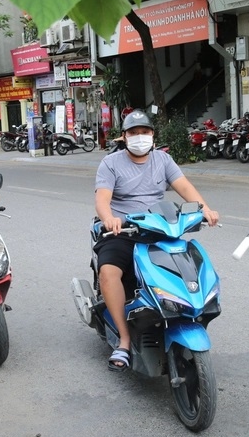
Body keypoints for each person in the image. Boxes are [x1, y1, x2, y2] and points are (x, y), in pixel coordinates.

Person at [94, 110, 219, 371]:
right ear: (124, 137)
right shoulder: (111, 163)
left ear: (152, 135)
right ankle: (125, 341)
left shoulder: (163, 159)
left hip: (160, 230)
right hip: (124, 231)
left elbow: (184, 187)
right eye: (134, 133)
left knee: (188, 266)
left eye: (145, 132)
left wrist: (204, 209)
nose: (140, 137)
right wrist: (109, 218)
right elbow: (102, 199)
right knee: (109, 273)